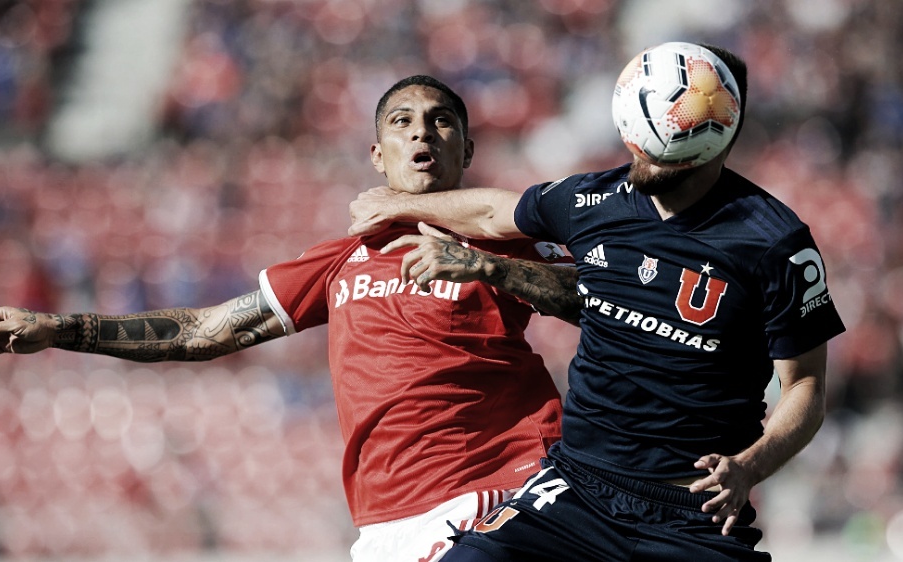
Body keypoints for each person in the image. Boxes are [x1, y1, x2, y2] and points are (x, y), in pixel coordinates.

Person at [0, 75, 579, 562]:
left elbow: (603, 300)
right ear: (376, 153)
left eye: (442, 122)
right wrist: (59, 329)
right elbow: (205, 332)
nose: (422, 134)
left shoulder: (504, 238)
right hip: (391, 522)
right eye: (402, 121)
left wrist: (488, 268)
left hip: (505, 487)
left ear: (465, 149)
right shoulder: (338, 264)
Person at [347, 45, 846, 561]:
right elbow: (494, 211)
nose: (643, 160)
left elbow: (805, 385)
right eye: (638, 144)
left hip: (694, 514)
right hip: (577, 490)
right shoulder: (594, 199)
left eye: (663, 153)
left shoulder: (776, 244)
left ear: (717, 143)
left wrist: (750, 466)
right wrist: (402, 203)